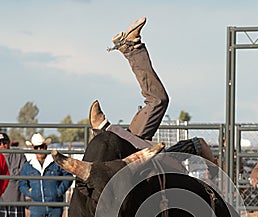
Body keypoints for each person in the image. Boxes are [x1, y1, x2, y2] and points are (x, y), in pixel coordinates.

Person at [89, 17, 217, 165]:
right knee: (159, 101)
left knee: (158, 154)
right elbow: (199, 143)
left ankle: (105, 128)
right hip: (147, 151)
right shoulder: (176, 157)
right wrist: (214, 169)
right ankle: (132, 49)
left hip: (140, 158)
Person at [18, 133, 73, 217]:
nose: (40, 150)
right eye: (37, 147)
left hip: (54, 203)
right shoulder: (28, 166)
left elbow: (68, 176)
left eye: (42, 146)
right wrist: (30, 193)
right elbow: (22, 183)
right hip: (37, 204)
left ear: (46, 146)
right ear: (33, 149)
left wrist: (58, 191)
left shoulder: (55, 163)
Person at [0, 133, 27, 217]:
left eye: (4, 142)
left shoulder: (19, 155)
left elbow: (25, 173)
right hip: (1, 198)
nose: (2, 145)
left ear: (9, 143)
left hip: (16, 197)